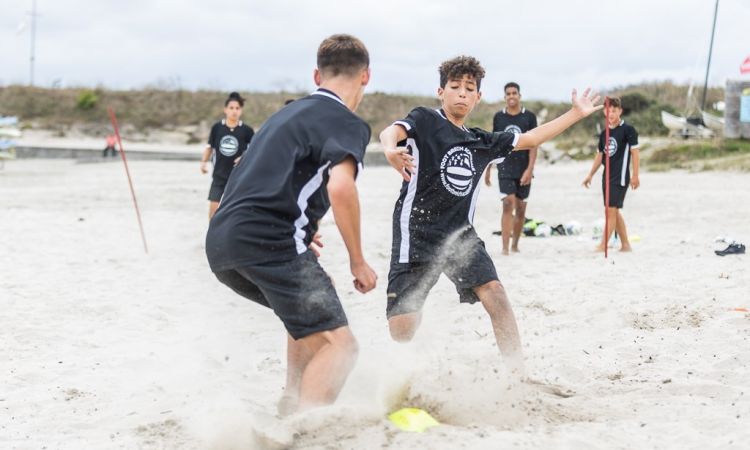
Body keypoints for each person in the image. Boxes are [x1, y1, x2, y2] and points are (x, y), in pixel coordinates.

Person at [380, 56, 601, 375]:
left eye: (469, 88)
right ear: (440, 91)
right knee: (402, 330)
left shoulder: (480, 142)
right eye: (454, 87)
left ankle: (517, 375)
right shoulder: (425, 120)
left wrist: (576, 113)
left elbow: (531, 139)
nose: (461, 93)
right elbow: (392, 131)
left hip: (459, 236)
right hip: (417, 235)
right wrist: (389, 149)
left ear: (477, 97)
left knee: (495, 293)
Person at [205, 34, 377, 414]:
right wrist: (358, 260)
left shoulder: (283, 114)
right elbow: (342, 188)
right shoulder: (347, 123)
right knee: (342, 348)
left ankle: (291, 397)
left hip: (222, 242)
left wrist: (301, 226)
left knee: (312, 301)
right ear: (366, 76)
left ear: (317, 75)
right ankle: (303, 430)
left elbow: (248, 171)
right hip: (268, 242)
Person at [484, 82, 538, 254]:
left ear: (519, 96)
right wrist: (488, 168)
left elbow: (534, 144)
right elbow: (494, 143)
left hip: (523, 168)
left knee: (521, 208)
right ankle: (505, 248)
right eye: (508, 93)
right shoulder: (499, 117)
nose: (511, 96)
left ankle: (515, 244)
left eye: (514, 93)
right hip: (505, 167)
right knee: (508, 204)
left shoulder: (529, 117)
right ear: (505, 97)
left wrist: (529, 170)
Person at [582, 97, 640, 252]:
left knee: (610, 210)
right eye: (608, 110)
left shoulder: (628, 130)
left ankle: (603, 245)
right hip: (606, 177)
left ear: (620, 111)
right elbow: (600, 155)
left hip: (620, 177)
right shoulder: (604, 133)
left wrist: (635, 175)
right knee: (613, 210)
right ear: (604, 112)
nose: (611, 113)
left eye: (614, 110)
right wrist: (590, 175)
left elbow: (635, 153)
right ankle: (626, 245)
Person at [200, 92, 255, 219]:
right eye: (231, 108)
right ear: (225, 110)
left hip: (238, 177)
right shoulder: (217, 128)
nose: (234, 111)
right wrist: (203, 162)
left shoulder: (247, 130)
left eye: (237, 108)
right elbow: (210, 147)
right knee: (213, 211)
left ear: (241, 110)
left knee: (235, 212)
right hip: (219, 175)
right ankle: (212, 236)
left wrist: (243, 157)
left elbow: (254, 151)